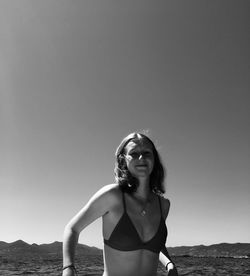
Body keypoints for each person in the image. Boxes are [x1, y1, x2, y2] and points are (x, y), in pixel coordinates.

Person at [62, 132, 178, 276]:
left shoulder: (163, 205)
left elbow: (155, 246)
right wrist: (68, 268)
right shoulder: (112, 196)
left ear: (154, 159)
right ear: (123, 160)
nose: (141, 158)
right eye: (134, 154)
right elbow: (72, 228)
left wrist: (169, 264)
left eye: (147, 153)